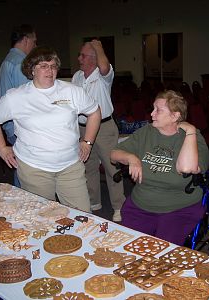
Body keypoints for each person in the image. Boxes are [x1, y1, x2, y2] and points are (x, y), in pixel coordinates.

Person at [0, 46, 101, 212]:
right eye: (44, 66)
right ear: (32, 69)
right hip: (34, 169)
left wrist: (87, 142)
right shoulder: (16, 97)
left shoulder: (72, 91)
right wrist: (2, 149)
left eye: (53, 66)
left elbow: (94, 111)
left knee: (83, 216)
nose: (50, 70)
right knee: (42, 219)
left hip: (70, 167)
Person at [110, 90, 209, 245]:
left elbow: (187, 167)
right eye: (153, 109)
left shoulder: (192, 137)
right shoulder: (147, 132)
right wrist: (132, 158)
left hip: (177, 209)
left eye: (158, 110)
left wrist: (189, 131)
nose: (152, 114)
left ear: (175, 116)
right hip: (140, 204)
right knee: (128, 247)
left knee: (161, 253)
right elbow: (114, 154)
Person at [72, 40, 125, 222]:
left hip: (104, 128)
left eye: (83, 55)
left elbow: (104, 66)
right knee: (88, 166)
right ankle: (94, 202)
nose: (79, 58)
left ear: (94, 59)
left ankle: (118, 206)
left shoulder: (103, 75)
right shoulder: (77, 77)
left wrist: (99, 47)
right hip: (83, 127)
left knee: (112, 168)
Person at [0, 24, 37, 187]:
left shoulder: (8, 60)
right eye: (34, 41)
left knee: (21, 169)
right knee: (28, 174)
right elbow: (29, 101)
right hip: (21, 127)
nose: (35, 46)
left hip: (10, 124)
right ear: (26, 40)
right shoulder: (21, 63)